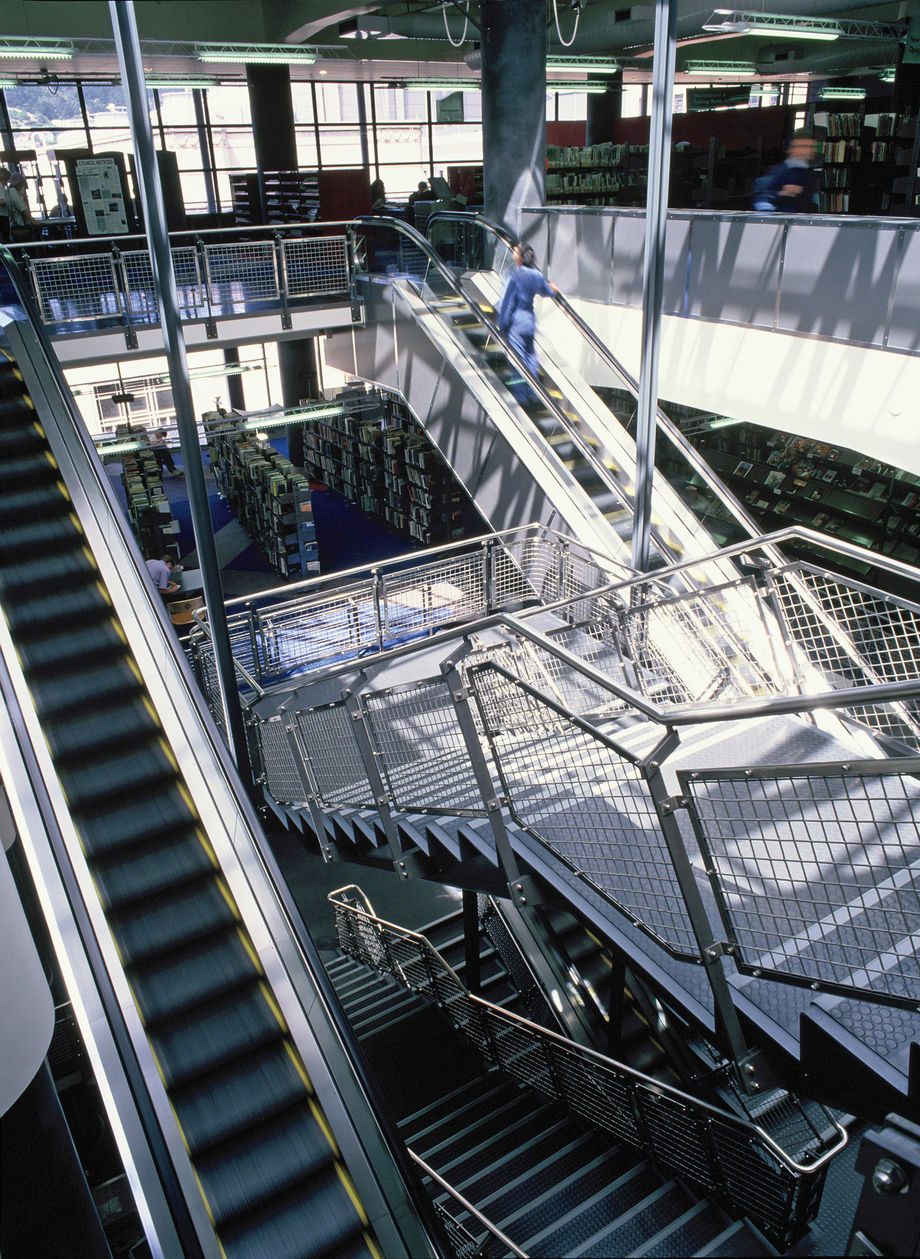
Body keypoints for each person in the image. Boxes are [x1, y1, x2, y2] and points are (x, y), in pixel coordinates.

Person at [497, 242, 559, 405]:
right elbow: (547, 291)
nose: (513, 253)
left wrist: (502, 326)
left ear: (520, 257)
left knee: (517, 360)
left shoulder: (515, 276)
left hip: (516, 323)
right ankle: (533, 392)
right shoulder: (536, 275)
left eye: (516, 251)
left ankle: (521, 397)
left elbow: (507, 303)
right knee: (530, 356)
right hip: (529, 321)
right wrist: (553, 289)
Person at [751, 131, 820, 213]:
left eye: (811, 147)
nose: (809, 150)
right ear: (791, 149)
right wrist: (781, 194)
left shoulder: (808, 174)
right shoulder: (778, 171)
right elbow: (761, 201)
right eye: (803, 146)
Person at [7, 171, 38, 240]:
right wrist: (34, 222)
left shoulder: (9, 191)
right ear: (19, 183)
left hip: (15, 226)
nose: (22, 187)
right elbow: (23, 209)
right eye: (22, 185)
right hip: (20, 227)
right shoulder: (13, 191)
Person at [0, 169, 10, 243]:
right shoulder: (0, 185)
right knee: (5, 239)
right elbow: (2, 201)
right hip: (2, 216)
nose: (6, 182)